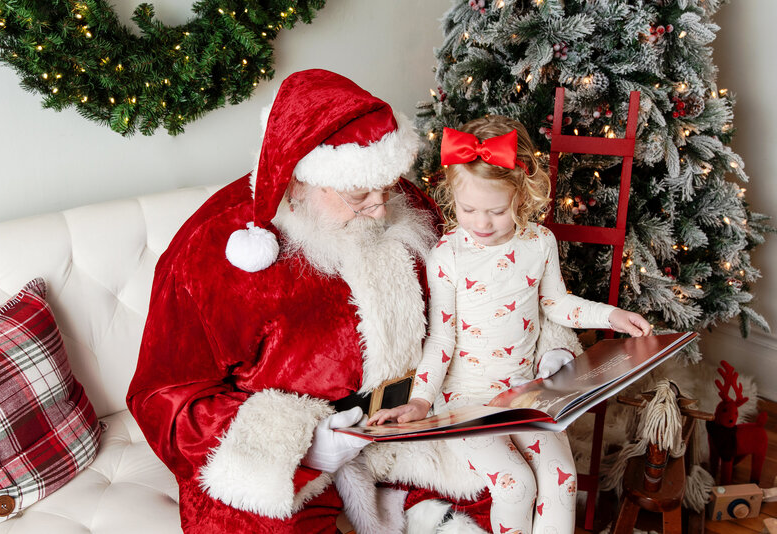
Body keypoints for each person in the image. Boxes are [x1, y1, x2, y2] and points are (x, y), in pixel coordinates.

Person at [126, 69, 498, 534]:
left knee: (501, 491)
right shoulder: (212, 249)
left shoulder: (407, 205)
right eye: (359, 195)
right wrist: (305, 445)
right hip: (289, 455)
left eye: (387, 188)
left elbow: (464, 303)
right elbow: (163, 399)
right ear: (298, 181)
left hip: (410, 424)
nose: (382, 210)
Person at [368, 116, 652, 534]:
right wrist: (422, 401)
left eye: (496, 211)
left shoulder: (539, 243)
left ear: (522, 192)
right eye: (468, 210)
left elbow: (556, 304)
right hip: (466, 401)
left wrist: (610, 315)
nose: (481, 223)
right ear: (452, 196)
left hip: (525, 393)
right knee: (514, 485)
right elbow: (441, 336)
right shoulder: (447, 255)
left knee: (562, 481)